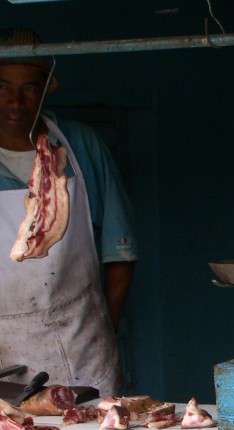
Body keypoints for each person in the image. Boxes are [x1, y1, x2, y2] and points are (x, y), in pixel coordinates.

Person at [0, 30, 136, 397]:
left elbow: (121, 253)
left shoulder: (80, 146)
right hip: (2, 350)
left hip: (82, 346)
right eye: (3, 87)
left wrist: (103, 329)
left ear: (47, 89)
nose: (15, 102)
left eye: (29, 88)